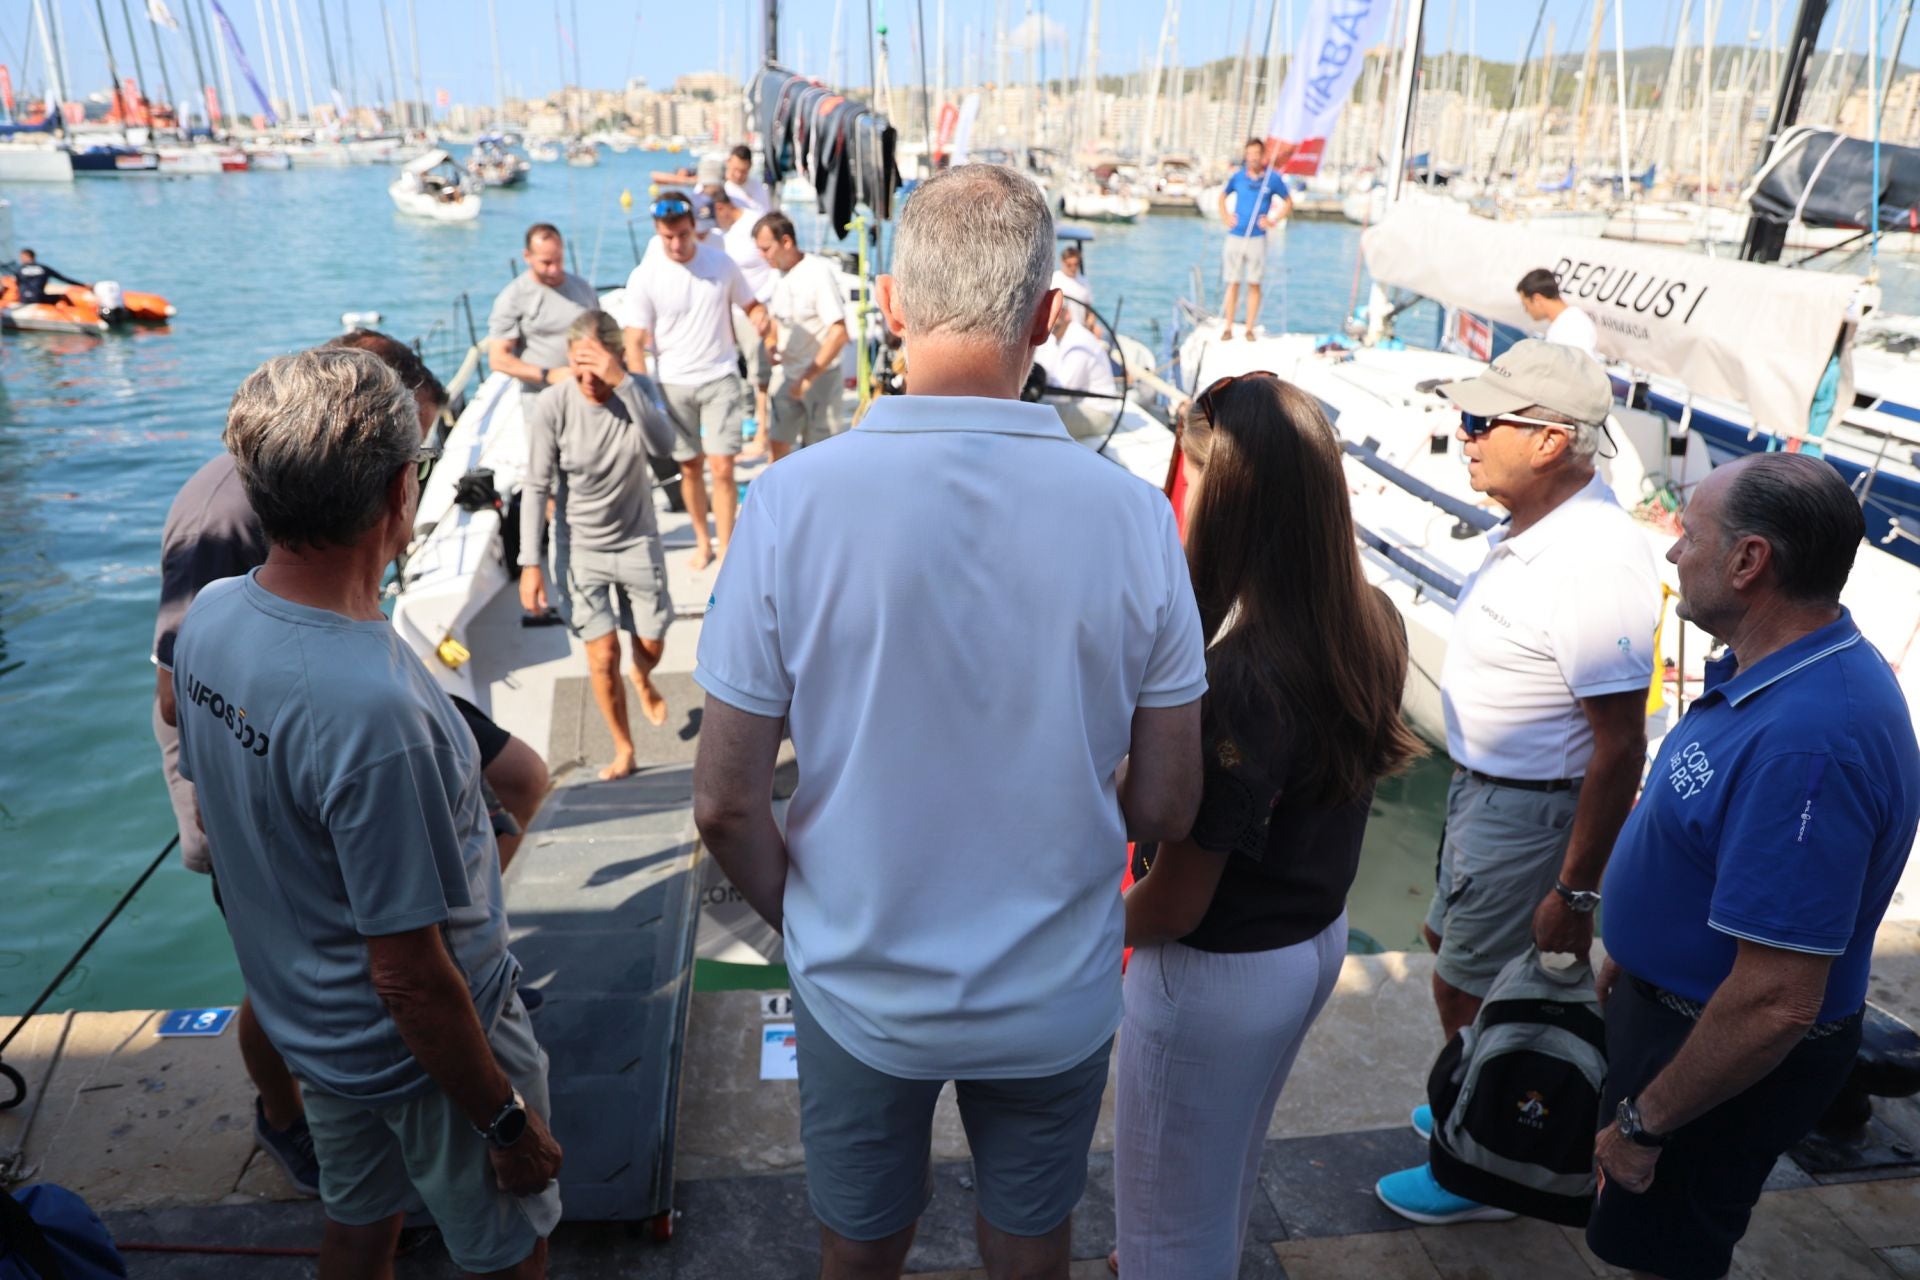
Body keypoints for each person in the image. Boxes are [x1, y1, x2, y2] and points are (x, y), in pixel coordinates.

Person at [690, 163, 1207, 1280]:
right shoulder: (1133, 518)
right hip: (1056, 987)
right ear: (1048, 315)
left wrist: (814, 920)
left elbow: (726, 800)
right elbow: (1169, 801)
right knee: (1030, 1245)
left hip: (860, 984)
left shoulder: (786, 506)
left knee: (859, 1246)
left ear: (889, 304)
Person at [166, 348, 563, 1278]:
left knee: (357, 1225)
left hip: (317, 1035)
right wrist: (504, 1122)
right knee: (511, 1252)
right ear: (399, 493)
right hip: (421, 1062)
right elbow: (412, 979)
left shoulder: (215, 617)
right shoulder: (378, 711)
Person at [1116, 375, 1424, 1276]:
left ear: (1230, 499)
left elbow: (1173, 904)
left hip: (1216, 973)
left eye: (1194, 476)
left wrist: (1061, 931)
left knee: (1164, 1231)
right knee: (1220, 1182)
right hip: (1310, 942)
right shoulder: (1371, 620)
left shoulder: (1241, 680)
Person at [1588, 454, 1918, 1280]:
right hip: (1672, 1011)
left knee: (1660, 1256)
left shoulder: (1812, 741)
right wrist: (1633, 950)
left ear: (1749, 561)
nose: (1673, 553)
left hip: (1710, 1046)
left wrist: (1643, 1126)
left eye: (1689, 535)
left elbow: (1776, 1000)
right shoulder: (1775, 672)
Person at [1376, 339, 1661, 1225]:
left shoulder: (1593, 560)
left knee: (1473, 987)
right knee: (1460, 965)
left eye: (1478, 421)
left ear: (1548, 441)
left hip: (1532, 817)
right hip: (1488, 798)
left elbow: (1618, 745)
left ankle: (1484, 1163)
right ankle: (1480, 1103)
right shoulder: (1536, 530)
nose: (1460, 435)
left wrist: (1574, 890)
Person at [518, 311, 679, 782]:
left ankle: (643, 677)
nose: (587, 379)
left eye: (596, 367)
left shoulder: (637, 391)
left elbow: (664, 445)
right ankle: (624, 746)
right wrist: (531, 563)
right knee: (601, 654)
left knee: (649, 642)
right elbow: (535, 485)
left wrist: (623, 381)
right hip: (580, 548)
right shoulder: (553, 404)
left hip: (636, 540)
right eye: (577, 366)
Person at [619, 192, 769, 571]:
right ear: (657, 232)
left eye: (683, 235)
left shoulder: (722, 264)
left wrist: (763, 321)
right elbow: (634, 342)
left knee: (722, 467)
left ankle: (728, 545)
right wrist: (644, 395)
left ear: (695, 229)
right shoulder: (644, 276)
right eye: (668, 237)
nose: (676, 244)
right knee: (690, 467)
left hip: (719, 376)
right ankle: (703, 541)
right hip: (672, 384)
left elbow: (751, 305)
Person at [753, 211, 850, 459]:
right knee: (778, 443)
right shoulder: (777, 274)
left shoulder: (817, 273)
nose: (762, 257)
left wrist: (808, 377)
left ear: (786, 242)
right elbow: (777, 318)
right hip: (787, 374)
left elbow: (838, 332)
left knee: (821, 453)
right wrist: (771, 342)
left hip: (820, 378)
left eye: (766, 249)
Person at [706, 184, 777, 457]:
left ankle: (764, 436)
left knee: (761, 378)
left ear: (722, 208)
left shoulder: (751, 224)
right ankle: (755, 427)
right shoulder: (721, 233)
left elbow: (770, 262)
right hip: (731, 316)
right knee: (744, 375)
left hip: (755, 312)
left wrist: (764, 305)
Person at [488, 224, 600, 394]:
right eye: (546, 263)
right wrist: (548, 374)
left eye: (558, 260)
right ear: (527, 256)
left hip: (585, 393)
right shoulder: (512, 298)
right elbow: (498, 358)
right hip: (540, 397)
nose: (554, 270)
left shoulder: (583, 288)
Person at [1218, 139, 1291, 342]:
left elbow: (1288, 201)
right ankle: (1228, 326)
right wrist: (1226, 217)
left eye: (1256, 153)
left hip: (1257, 238)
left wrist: (1272, 220)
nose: (1253, 157)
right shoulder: (1238, 177)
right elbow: (1222, 197)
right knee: (1232, 282)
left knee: (1254, 283)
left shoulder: (1271, 179)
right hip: (1236, 235)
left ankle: (1249, 328)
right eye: (1249, 153)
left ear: (1262, 155)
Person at [1032, 302, 1118, 399]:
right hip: (1072, 402)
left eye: (1057, 310)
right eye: (1047, 310)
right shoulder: (1053, 339)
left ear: (1068, 314)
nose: (1050, 314)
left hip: (1095, 408)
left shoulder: (1079, 341)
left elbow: (1063, 393)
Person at [1517, 268, 1600, 359]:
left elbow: (1578, 368)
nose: (1526, 310)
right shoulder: (1566, 322)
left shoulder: (1571, 326)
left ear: (1537, 299)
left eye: (1525, 305)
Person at [3, 248, 84, 305]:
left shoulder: (19, 270)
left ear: (24, 257)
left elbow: (13, 285)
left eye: (21, 257)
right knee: (63, 296)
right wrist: (83, 285)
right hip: (39, 298)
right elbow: (64, 279)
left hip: (23, 299)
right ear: (33, 257)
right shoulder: (44, 268)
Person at [1051, 245, 1098, 334]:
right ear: (1062, 262)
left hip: (1080, 330)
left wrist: (1091, 321)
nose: (1073, 268)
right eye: (1069, 265)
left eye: (1076, 264)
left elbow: (1089, 309)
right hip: (1058, 332)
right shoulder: (1055, 279)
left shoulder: (1084, 281)